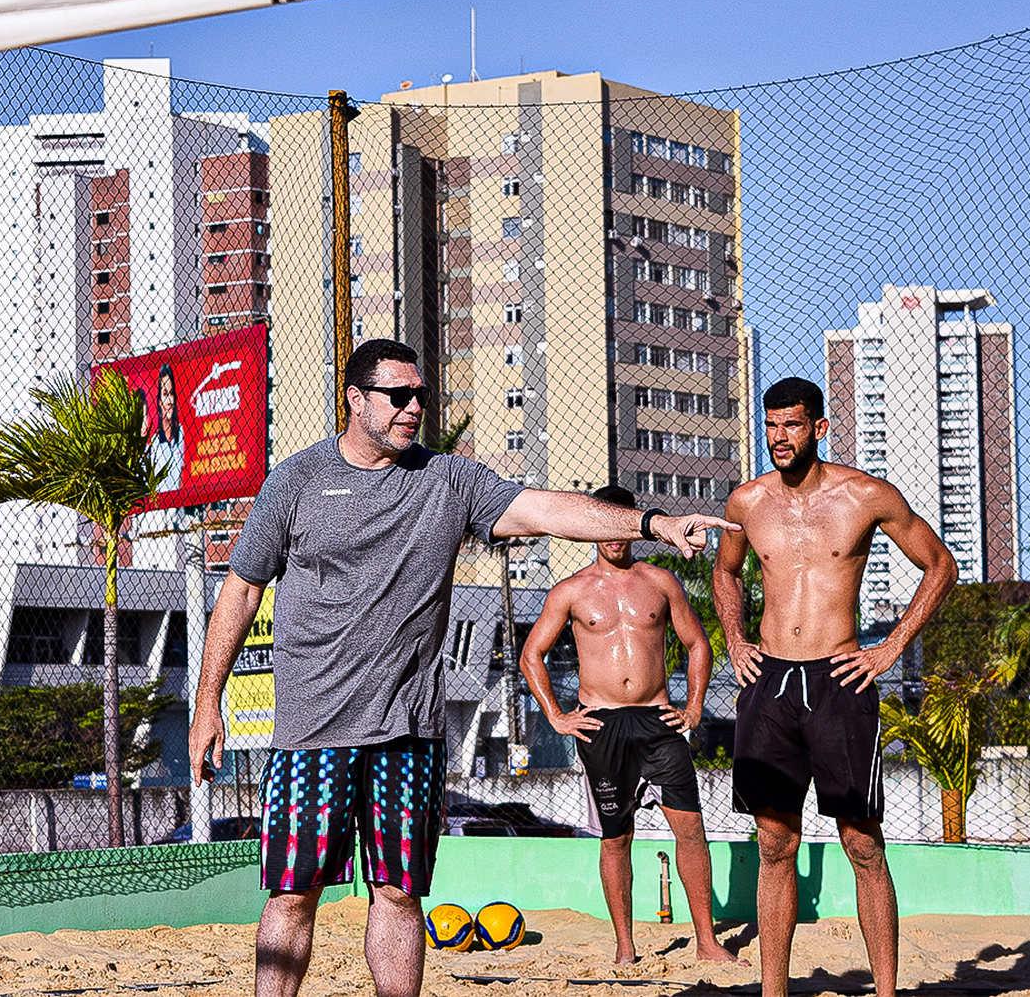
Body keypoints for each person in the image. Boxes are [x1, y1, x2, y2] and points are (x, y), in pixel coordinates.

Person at [187, 339, 737, 997]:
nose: (414, 406)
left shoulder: (448, 479)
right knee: (292, 892)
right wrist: (206, 700)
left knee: (398, 891)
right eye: (398, 395)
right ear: (355, 399)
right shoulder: (297, 481)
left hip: (408, 732)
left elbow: (548, 508)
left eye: (421, 394)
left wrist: (654, 521)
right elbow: (242, 589)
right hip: (313, 730)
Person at [713, 377, 957, 997]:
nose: (779, 438)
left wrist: (891, 647)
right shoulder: (746, 503)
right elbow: (726, 573)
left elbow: (940, 565)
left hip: (840, 679)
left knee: (861, 841)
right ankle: (774, 990)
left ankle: (886, 991)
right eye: (770, 426)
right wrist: (736, 641)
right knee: (774, 841)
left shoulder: (865, 496)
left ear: (819, 428)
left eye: (791, 425)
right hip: (769, 679)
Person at [520, 483, 741, 967]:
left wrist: (695, 707)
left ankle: (706, 941)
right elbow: (530, 654)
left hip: (658, 721)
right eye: (606, 521)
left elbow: (698, 645)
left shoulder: (660, 582)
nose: (616, 535)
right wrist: (556, 716)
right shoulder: (571, 590)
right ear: (594, 526)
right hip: (600, 725)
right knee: (616, 837)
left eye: (624, 520)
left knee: (690, 830)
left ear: (634, 524)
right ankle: (625, 945)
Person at [151, 363, 185, 492]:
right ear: (159, 401)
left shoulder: (181, 434)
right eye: (165, 394)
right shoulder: (155, 443)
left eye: (171, 394)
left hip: (178, 506)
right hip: (159, 509)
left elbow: (182, 473)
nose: (170, 401)